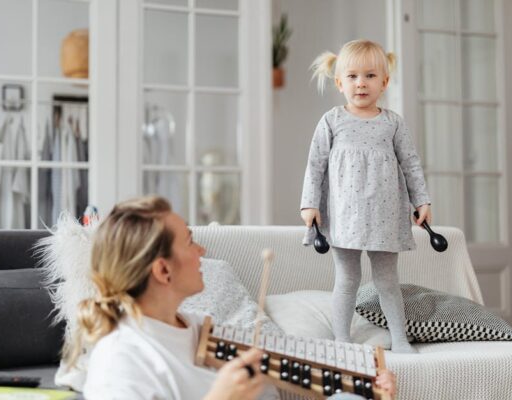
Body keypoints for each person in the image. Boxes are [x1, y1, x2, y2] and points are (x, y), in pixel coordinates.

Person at [67, 195, 396, 399]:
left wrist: (366, 381)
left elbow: (293, 361)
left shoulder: (198, 329)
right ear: (163, 271)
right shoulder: (121, 358)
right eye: (190, 242)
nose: (202, 251)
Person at [300, 40, 432, 353]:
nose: (361, 83)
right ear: (339, 82)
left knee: (387, 280)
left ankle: (399, 338)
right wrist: (310, 204)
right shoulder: (332, 120)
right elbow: (315, 164)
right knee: (347, 278)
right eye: (353, 76)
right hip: (344, 215)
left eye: (371, 76)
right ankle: (341, 338)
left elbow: (411, 163)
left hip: (384, 215)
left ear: (384, 82)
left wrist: (422, 201)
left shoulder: (392, 123)